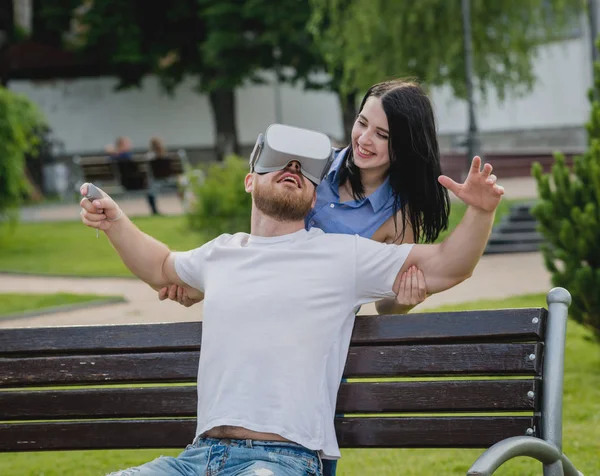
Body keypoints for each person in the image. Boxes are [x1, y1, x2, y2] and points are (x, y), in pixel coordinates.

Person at [79, 130, 503, 475]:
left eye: (304, 169)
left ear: (315, 197)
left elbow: (448, 265)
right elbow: (161, 266)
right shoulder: (221, 253)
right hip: (196, 458)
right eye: (281, 161)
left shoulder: (344, 256)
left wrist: (481, 212)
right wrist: (115, 220)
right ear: (250, 181)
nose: (294, 169)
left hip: (282, 462)